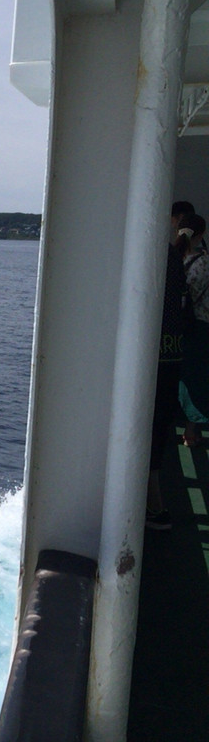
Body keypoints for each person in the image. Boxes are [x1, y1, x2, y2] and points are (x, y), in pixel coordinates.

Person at [147, 210, 190, 530]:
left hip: (156, 356)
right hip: (171, 354)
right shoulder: (175, 261)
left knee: (150, 429)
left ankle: (155, 506)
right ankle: (155, 503)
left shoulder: (155, 259)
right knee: (159, 427)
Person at [179, 214, 209, 446]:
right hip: (199, 326)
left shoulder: (172, 258)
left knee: (182, 379)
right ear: (201, 235)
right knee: (197, 377)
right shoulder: (205, 262)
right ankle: (192, 429)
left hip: (176, 326)